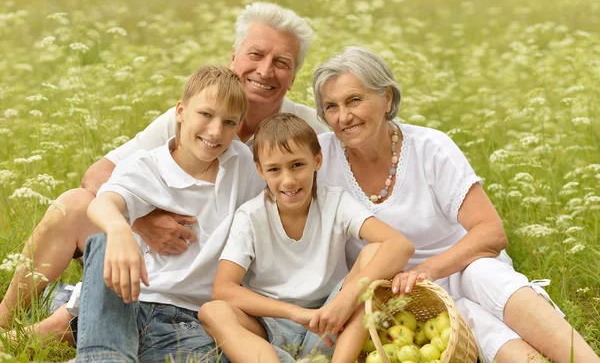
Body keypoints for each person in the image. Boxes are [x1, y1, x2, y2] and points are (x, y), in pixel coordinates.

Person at [0, 1, 328, 342]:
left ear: (293, 78)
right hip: (157, 259)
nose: (265, 70)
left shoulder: (307, 131)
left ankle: (66, 322)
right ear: (234, 57)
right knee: (73, 204)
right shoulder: (193, 115)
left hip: (224, 277)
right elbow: (98, 175)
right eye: (255, 54)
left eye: (282, 63)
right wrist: (143, 220)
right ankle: (6, 319)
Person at [311, 46, 600, 363]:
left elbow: (491, 233)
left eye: (354, 100)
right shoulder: (318, 159)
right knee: (474, 322)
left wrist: (427, 270)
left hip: (462, 266)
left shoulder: (430, 147)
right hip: (405, 300)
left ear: (387, 99)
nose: (343, 116)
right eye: (331, 106)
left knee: (483, 275)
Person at [76, 65, 264, 362]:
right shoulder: (147, 165)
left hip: (191, 322)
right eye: (206, 114)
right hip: (132, 304)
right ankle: (106, 356)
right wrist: (121, 229)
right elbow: (101, 203)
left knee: (259, 355)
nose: (216, 131)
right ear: (180, 111)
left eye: (229, 122)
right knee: (102, 240)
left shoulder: (243, 165)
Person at [197, 113, 415, 363]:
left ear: (317, 160)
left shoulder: (336, 202)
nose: (288, 180)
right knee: (213, 311)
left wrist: (346, 299)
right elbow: (223, 289)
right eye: (274, 169)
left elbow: (400, 245)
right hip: (270, 328)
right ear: (260, 170)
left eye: (297, 165)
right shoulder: (250, 216)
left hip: (332, 324)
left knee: (375, 255)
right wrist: (294, 313)